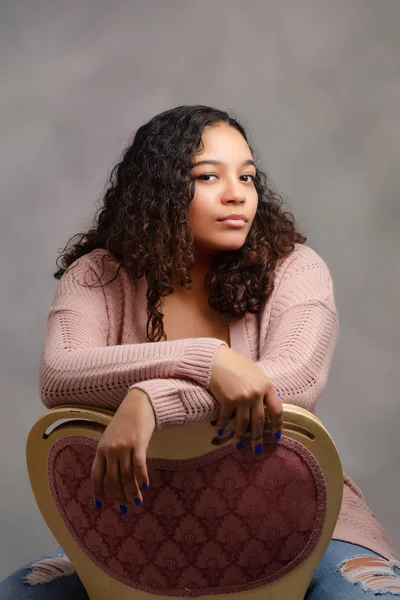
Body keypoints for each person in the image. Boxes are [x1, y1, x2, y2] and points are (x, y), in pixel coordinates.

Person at [1, 105, 399, 599]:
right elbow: (59, 372)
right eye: (208, 176)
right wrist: (207, 360)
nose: (238, 193)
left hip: (300, 527)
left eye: (248, 177)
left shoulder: (295, 268)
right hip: (137, 533)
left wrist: (152, 399)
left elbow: (292, 380)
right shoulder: (98, 274)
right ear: (159, 189)